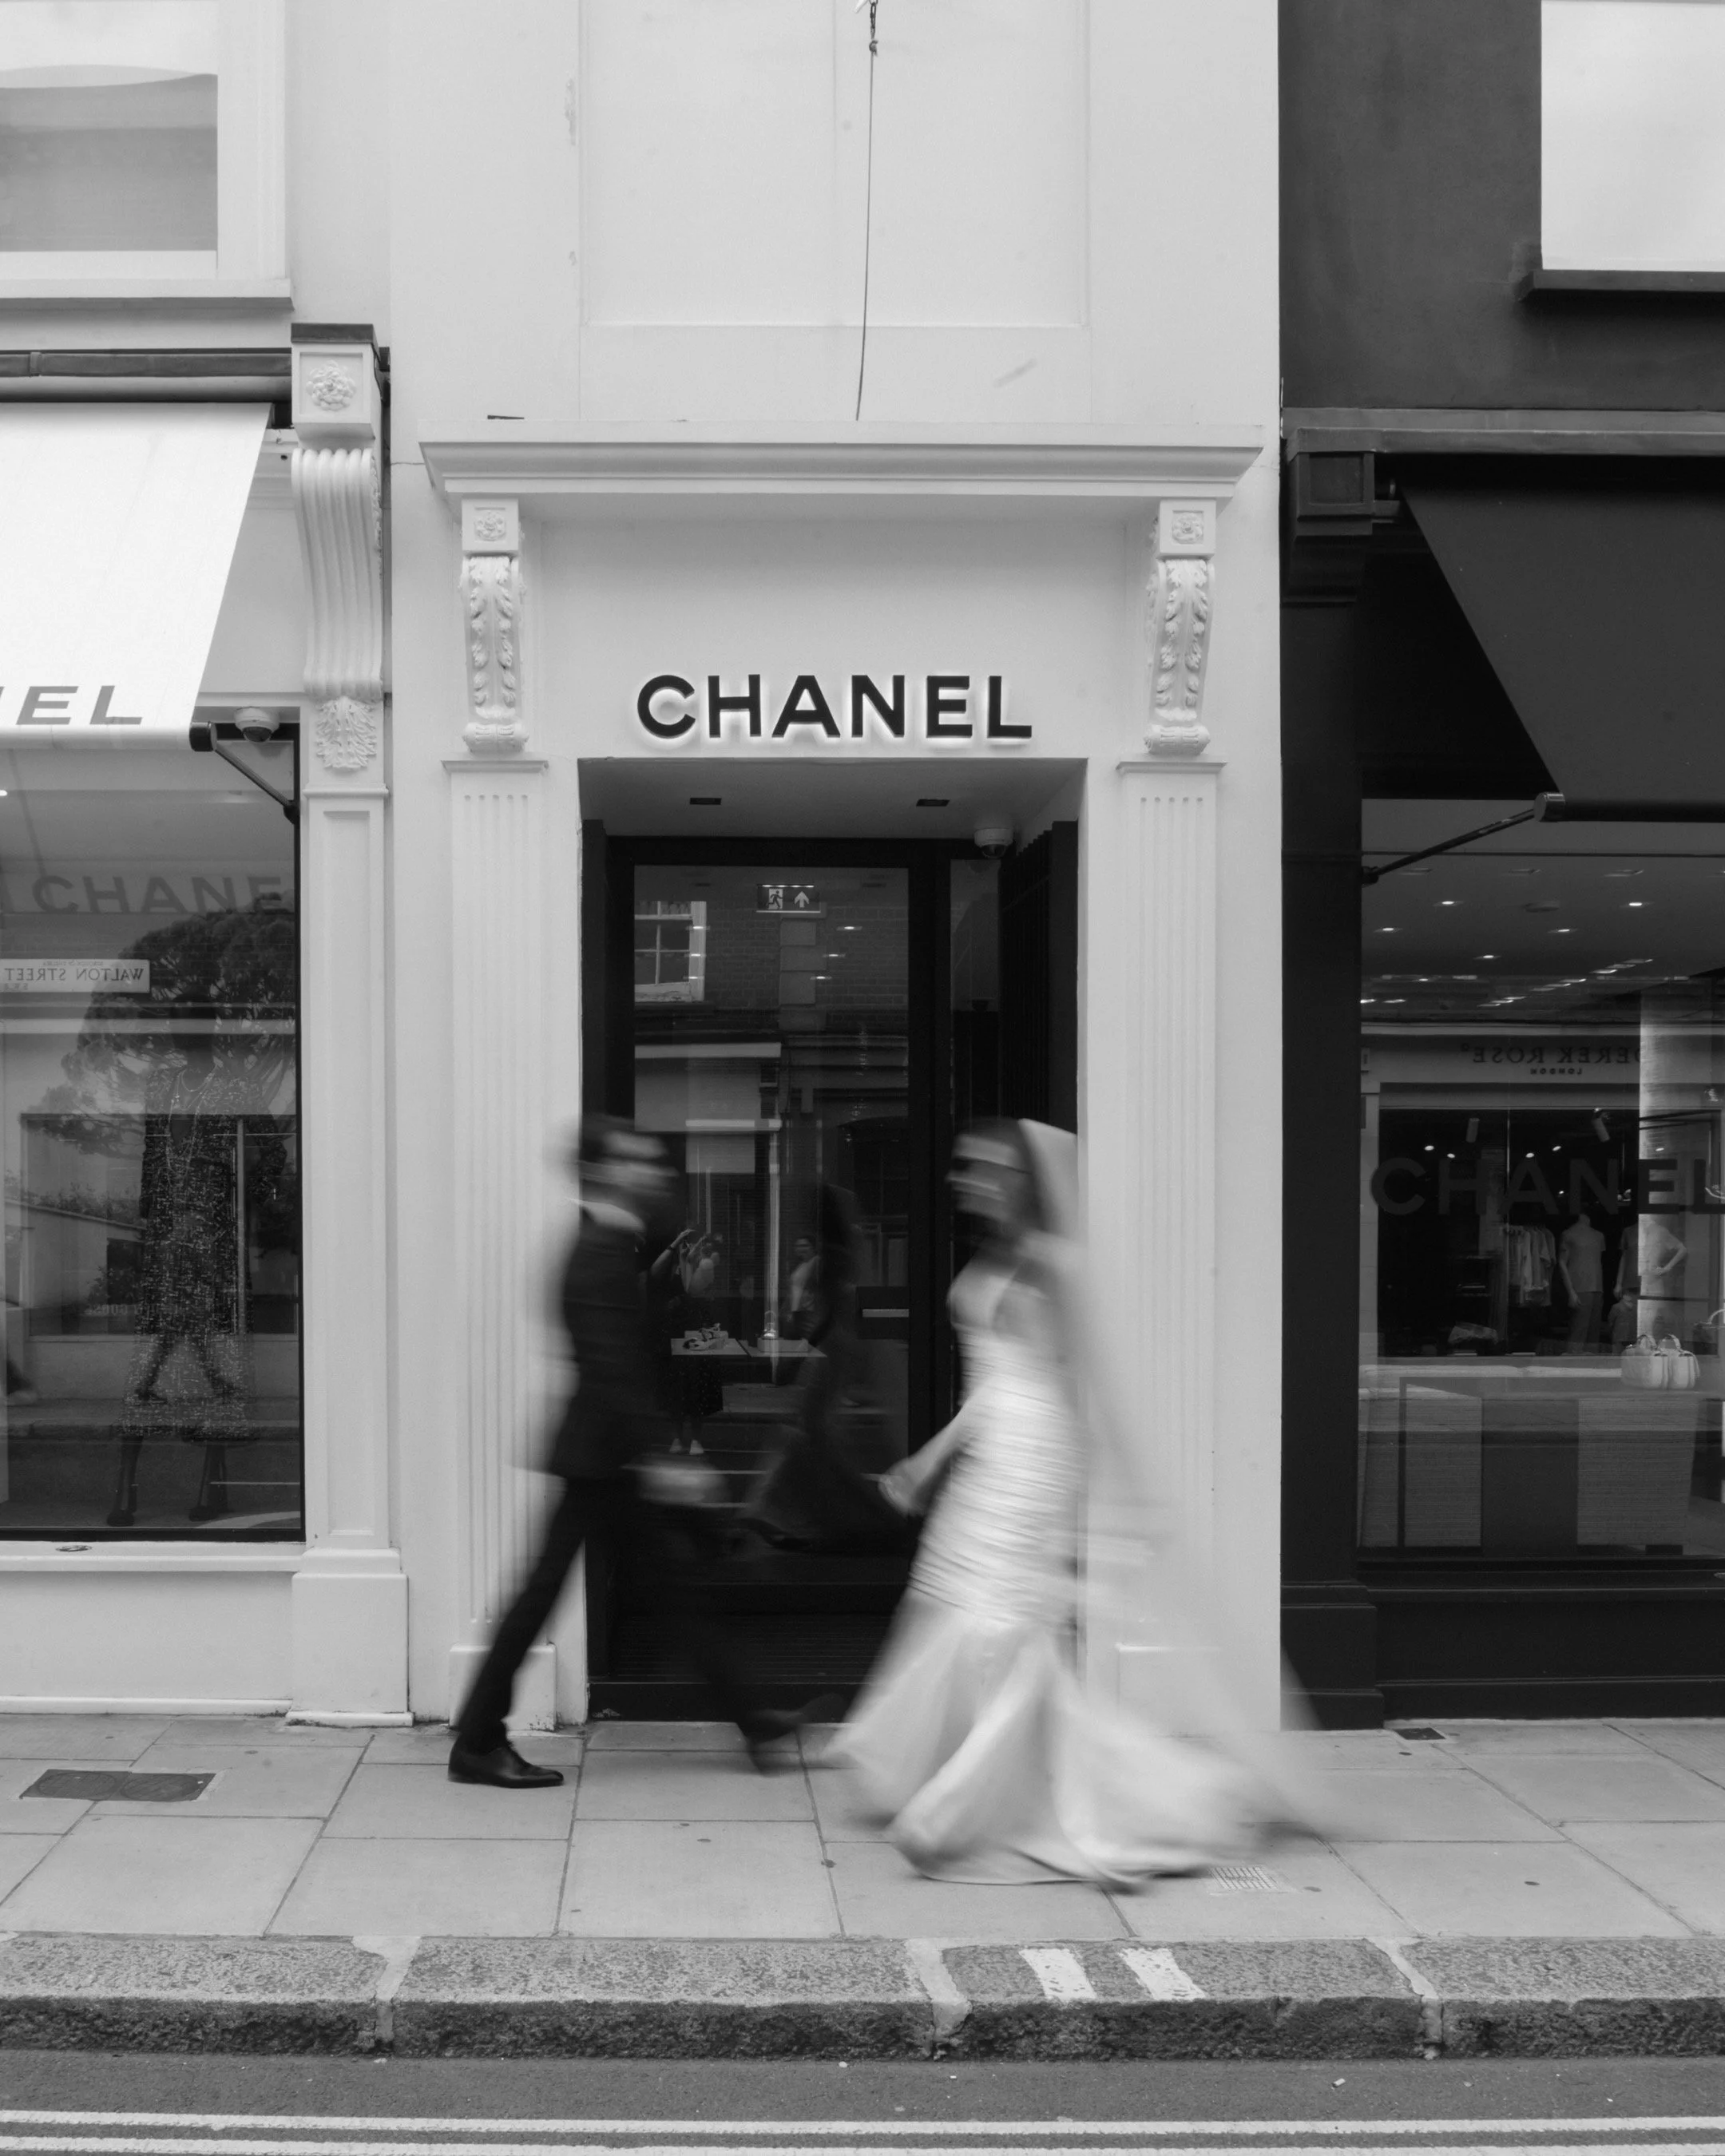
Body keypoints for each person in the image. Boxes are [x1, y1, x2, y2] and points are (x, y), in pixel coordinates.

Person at [823, 1119, 1322, 1885]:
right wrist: (932, 1458)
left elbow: (1087, 1387)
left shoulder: (1058, 1266)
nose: (965, 1180)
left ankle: (975, 1801)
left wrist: (1126, 1495)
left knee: (1006, 1624)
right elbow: (992, 1383)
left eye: (983, 1168)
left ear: (1023, 1181)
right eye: (966, 1167)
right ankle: (945, 1768)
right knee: (956, 1609)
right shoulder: (996, 1256)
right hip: (991, 1459)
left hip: (1035, 1465)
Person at [450, 1117, 831, 1788]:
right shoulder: (599, 1250)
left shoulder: (614, 1245)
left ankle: (755, 1719)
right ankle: (478, 1740)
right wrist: (660, 1458)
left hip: (606, 1455)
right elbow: (609, 1369)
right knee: (545, 1595)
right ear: (601, 1171)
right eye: (636, 1160)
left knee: (669, 1591)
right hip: (606, 1457)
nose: (653, 1170)